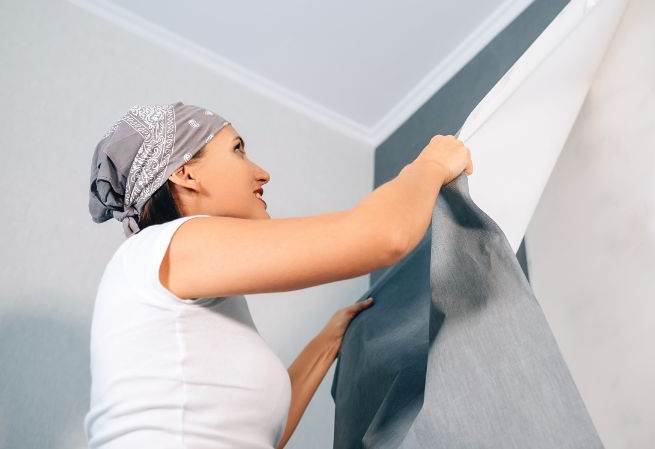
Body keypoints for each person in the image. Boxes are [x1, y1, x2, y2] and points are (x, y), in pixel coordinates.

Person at [84, 102, 473, 449]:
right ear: (185, 173)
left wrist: (327, 341)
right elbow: (385, 236)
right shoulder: (167, 245)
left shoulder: (182, 276)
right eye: (238, 150)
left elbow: (262, 434)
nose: (262, 173)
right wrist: (432, 164)